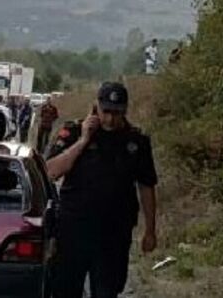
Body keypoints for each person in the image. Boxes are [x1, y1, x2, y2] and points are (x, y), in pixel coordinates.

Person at [46, 82, 158, 298]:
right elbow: (51, 171)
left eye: (117, 113)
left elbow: (146, 186)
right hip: (73, 229)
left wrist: (150, 230)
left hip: (114, 233)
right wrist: (83, 141)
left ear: (125, 110)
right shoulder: (74, 131)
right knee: (65, 289)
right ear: (96, 106)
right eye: (106, 112)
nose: (110, 119)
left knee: (107, 291)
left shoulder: (136, 141)